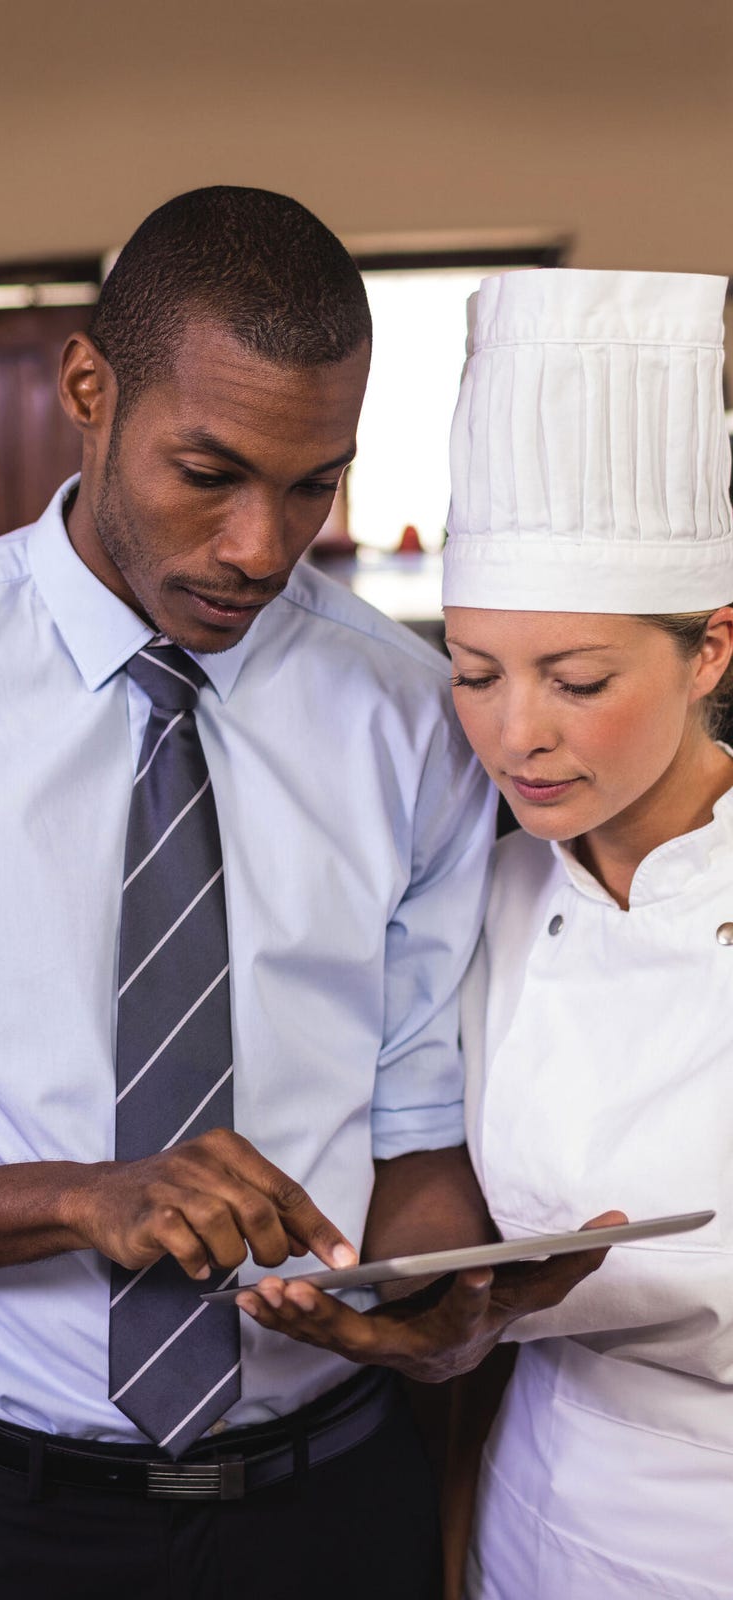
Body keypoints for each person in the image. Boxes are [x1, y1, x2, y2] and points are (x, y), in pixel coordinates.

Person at [0, 188, 607, 1600]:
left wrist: (442, 1304)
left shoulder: (410, 716)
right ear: (88, 388)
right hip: (14, 1526)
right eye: (210, 470)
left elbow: (416, 1126)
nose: (262, 546)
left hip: (336, 1505)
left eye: (314, 484)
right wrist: (87, 1199)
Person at [440, 268, 733, 1597]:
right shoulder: (487, 896)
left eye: (577, 680)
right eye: (475, 671)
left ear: (710, 649)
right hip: (536, 1508)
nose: (517, 734)